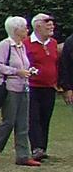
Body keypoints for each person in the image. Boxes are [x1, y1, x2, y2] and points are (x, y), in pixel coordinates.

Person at [0, 15, 39, 166]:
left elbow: (23, 66)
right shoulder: (5, 45)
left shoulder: (22, 46)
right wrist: (16, 72)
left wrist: (29, 71)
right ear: (16, 30)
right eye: (25, 28)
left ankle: (23, 156)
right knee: (9, 121)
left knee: (23, 123)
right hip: (11, 88)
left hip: (24, 87)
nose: (27, 30)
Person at [27, 13, 59, 161]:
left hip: (49, 87)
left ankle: (42, 148)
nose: (51, 25)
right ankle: (36, 147)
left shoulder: (53, 43)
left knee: (45, 117)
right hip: (32, 87)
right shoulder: (27, 44)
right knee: (33, 117)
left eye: (52, 22)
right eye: (47, 22)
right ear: (37, 25)